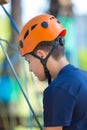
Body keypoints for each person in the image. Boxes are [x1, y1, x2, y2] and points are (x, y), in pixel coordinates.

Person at [18, 14, 87, 130]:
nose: (30, 69)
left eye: (29, 61)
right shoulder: (83, 76)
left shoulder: (57, 90)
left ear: (41, 55)